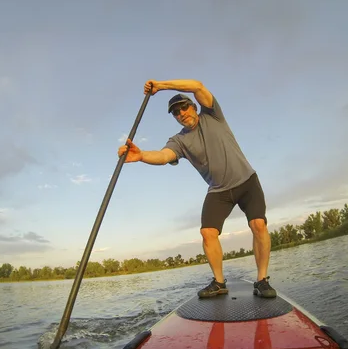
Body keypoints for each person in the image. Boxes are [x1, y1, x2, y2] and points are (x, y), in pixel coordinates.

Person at [118, 79, 276, 299]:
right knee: (207, 232)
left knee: (258, 224)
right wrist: (142, 155)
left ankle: (262, 280)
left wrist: (161, 87)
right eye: (175, 112)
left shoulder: (212, 115)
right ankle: (219, 282)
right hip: (219, 191)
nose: (181, 113)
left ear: (193, 106)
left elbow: (197, 86)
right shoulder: (179, 141)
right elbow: (164, 156)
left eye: (184, 107)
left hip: (247, 181)